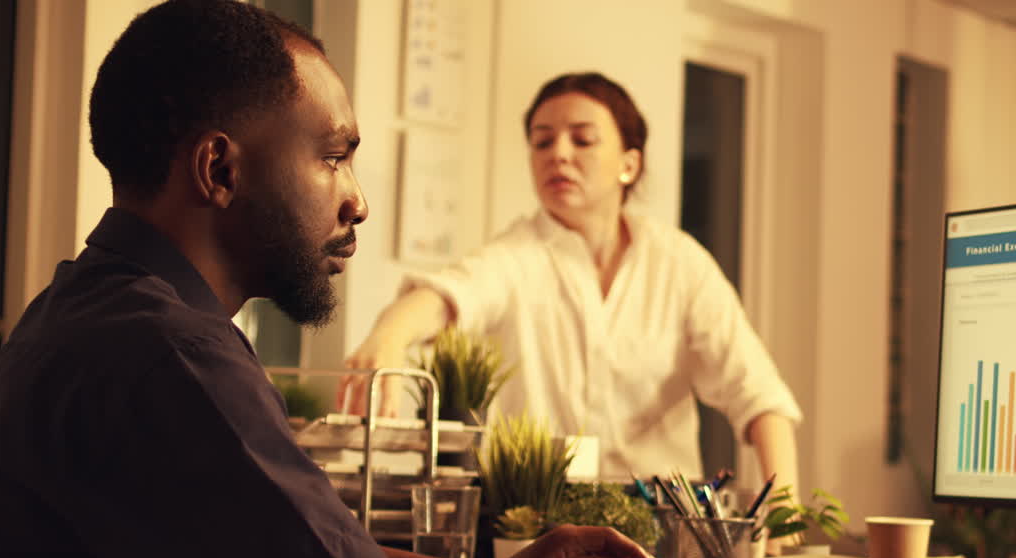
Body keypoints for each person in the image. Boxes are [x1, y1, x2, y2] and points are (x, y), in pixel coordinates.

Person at [0, 2, 1000, 558]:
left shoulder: (97, 313)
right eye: (334, 155)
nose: (357, 199)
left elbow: (285, 557)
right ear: (219, 167)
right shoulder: (171, 358)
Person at [341, 72, 802, 510]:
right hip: (537, 530)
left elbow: (759, 395)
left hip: (663, 529)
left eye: (582, 139)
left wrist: (785, 513)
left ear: (629, 163)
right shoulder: (516, 254)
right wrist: (390, 334)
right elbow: (451, 295)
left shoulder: (681, 264)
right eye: (542, 142)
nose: (558, 154)